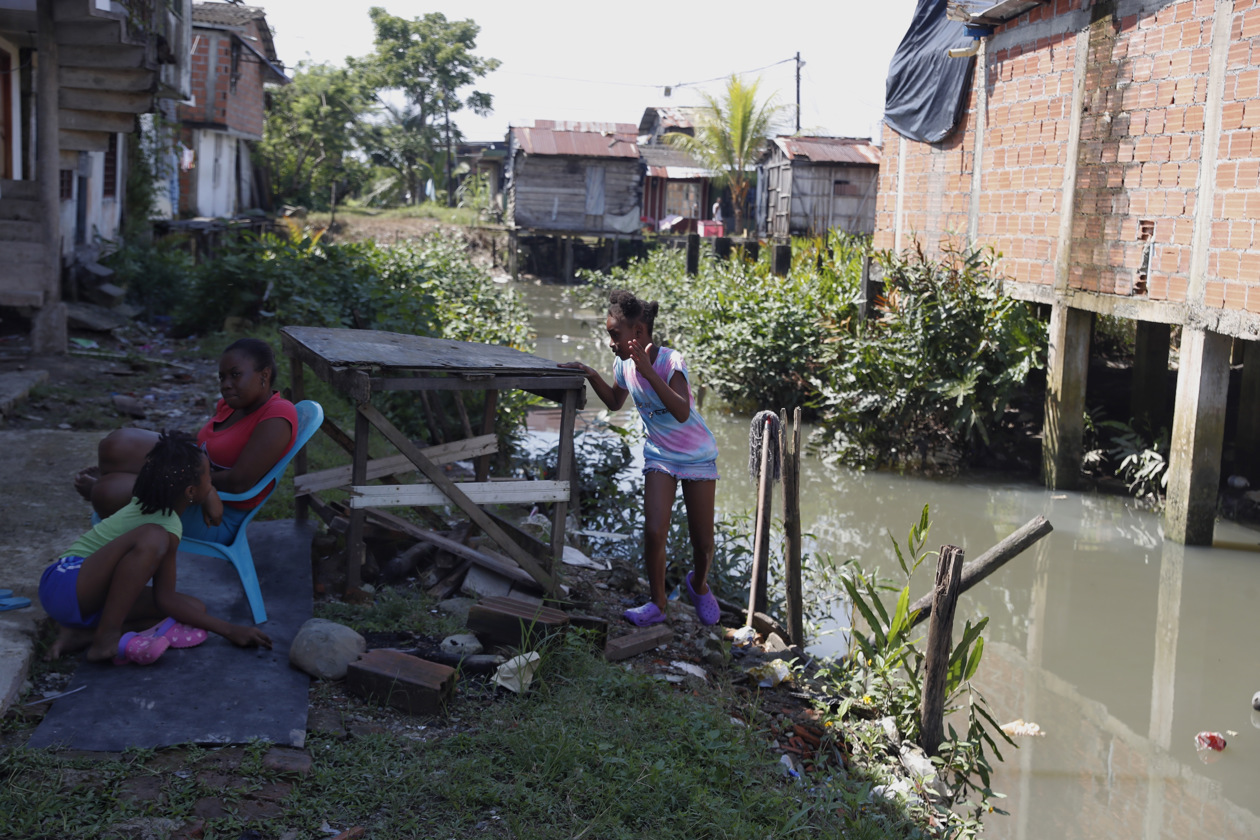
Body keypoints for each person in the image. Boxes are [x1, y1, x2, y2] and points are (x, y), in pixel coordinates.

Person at [560, 289, 722, 627]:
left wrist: (648, 371)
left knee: (703, 542)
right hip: (660, 455)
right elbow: (615, 402)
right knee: (653, 531)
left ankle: (699, 583)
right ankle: (658, 604)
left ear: (637, 332)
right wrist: (590, 373)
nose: (610, 341)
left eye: (614, 334)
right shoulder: (622, 364)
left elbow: (680, 411)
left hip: (697, 455)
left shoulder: (670, 362)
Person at [43, 431, 273, 664]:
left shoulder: (155, 506)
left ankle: (83, 635)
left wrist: (229, 630)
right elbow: (164, 593)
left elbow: (166, 599)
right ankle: (106, 639)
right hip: (65, 582)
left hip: (84, 601)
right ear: (191, 492)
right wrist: (229, 630)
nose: (211, 483)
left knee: (194, 608)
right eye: (209, 479)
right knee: (153, 536)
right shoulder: (160, 529)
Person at [75, 338, 298, 544]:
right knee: (115, 445)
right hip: (199, 483)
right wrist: (198, 481)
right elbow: (201, 447)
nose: (226, 384)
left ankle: (112, 494)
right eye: (222, 377)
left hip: (218, 514)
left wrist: (203, 486)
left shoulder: (277, 415)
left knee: (107, 492)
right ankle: (125, 489)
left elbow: (239, 483)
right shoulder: (232, 406)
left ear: (264, 375)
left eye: (235, 374)